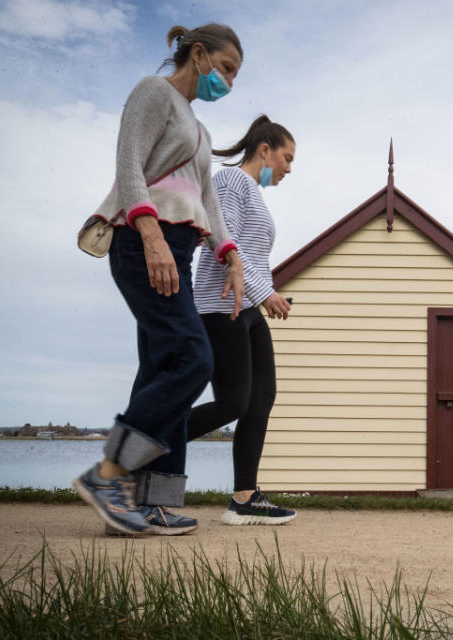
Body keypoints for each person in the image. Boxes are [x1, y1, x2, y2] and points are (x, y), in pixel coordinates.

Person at [73, 24, 247, 537]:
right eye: (227, 68)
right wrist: (149, 235)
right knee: (194, 360)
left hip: (181, 250)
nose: (230, 82)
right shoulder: (154, 93)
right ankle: (109, 475)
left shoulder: (201, 130)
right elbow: (128, 165)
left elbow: (208, 202)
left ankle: (150, 505)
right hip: (143, 242)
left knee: (161, 368)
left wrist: (229, 253)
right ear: (199, 54)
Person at [188, 115, 297, 525]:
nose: (289, 168)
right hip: (220, 305)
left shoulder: (252, 192)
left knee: (261, 398)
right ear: (264, 150)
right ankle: (155, 439)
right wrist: (265, 292)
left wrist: (267, 292)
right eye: (287, 157)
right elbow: (220, 233)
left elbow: (251, 256)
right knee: (234, 401)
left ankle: (244, 498)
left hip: (247, 308)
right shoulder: (230, 181)